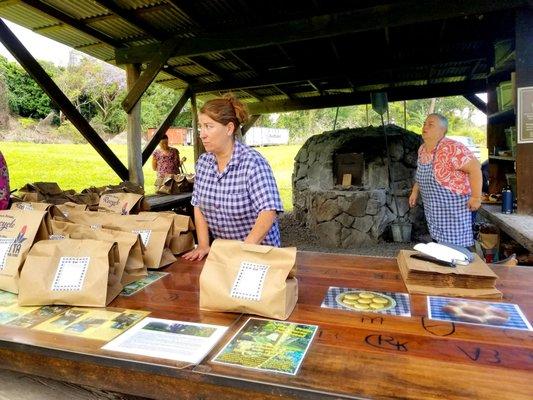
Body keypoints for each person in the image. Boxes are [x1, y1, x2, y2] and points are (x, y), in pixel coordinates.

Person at [182, 95, 283, 261]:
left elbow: (268, 211)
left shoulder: (253, 162)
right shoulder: (203, 163)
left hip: (259, 254)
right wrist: (203, 245)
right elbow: (198, 205)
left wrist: (245, 250)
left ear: (229, 129)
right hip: (225, 254)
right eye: (201, 127)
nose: (202, 134)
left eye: (208, 126)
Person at [408, 114, 482, 248]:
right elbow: (420, 174)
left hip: (456, 210)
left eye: (430, 124)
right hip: (435, 210)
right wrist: (415, 191)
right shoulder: (422, 149)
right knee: (440, 245)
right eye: (424, 124)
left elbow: (475, 168)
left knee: (457, 250)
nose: (425, 127)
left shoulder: (453, 148)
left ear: (443, 130)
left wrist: (476, 197)